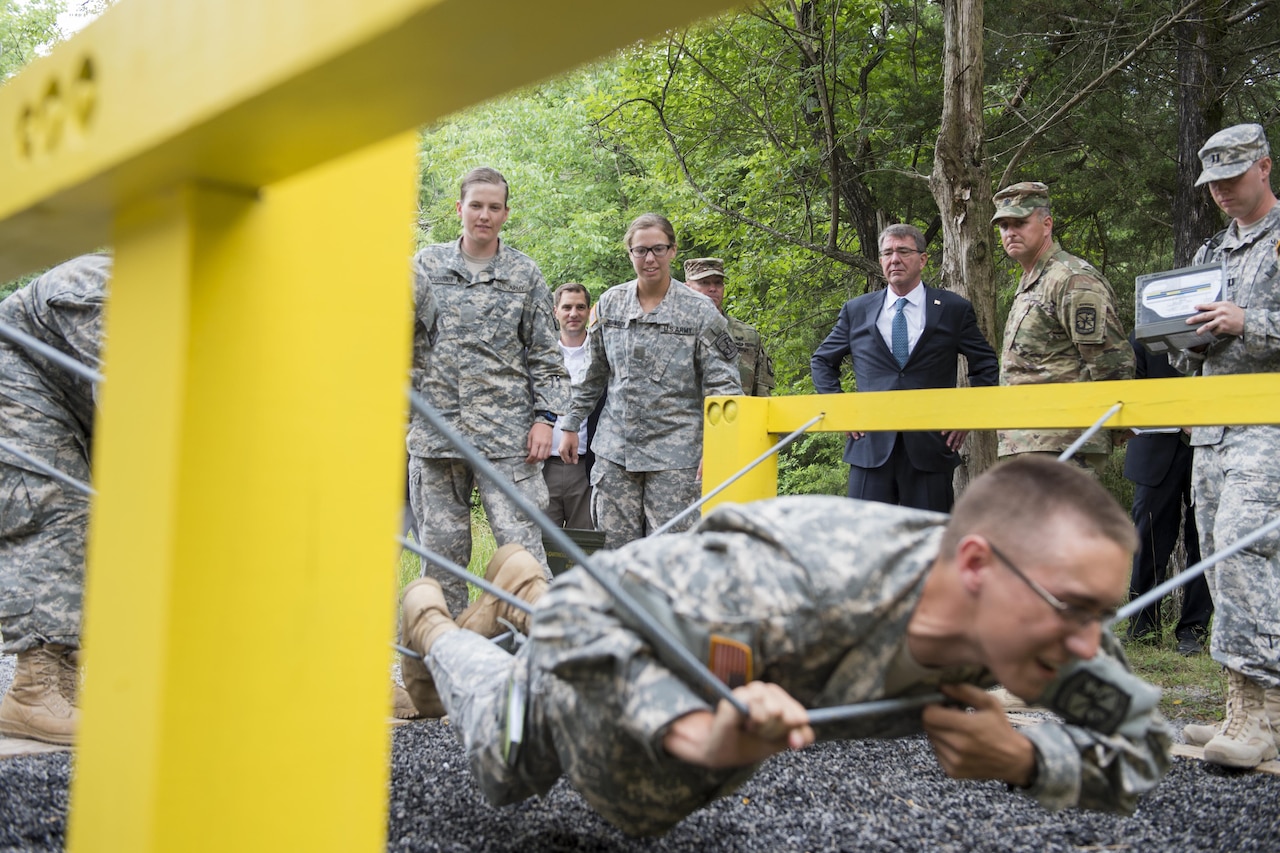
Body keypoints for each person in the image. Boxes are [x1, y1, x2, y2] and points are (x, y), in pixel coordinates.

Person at [398, 456, 1170, 837]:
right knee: (505, 761)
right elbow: (583, 617)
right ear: (975, 565)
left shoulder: (1045, 624)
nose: (1090, 642)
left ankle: (518, 587)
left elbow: (1143, 745)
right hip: (613, 656)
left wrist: (1027, 761)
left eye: (1100, 611)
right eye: (1073, 609)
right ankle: (429, 621)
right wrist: (697, 729)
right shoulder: (798, 579)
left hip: (702, 644)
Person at [408, 167, 569, 616]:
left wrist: (546, 420)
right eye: (475, 205)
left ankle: (540, 656)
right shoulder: (425, 267)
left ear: (505, 213)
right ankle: (441, 662)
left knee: (524, 559)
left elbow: (545, 356)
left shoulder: (524, 274)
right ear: (459, 209)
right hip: (435, 435)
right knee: (441, 561)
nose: (484, 215)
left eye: (493, 207)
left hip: (507, 439)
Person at [1172, 123, 1280, 768]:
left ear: (1264, 167)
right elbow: (1196, 348)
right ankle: (1242, 703)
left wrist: (1251, 323)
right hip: (1213, 427)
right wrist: (1189, 341)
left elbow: (1253, 328)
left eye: (1233, 179)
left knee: (1247, 548)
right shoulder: (1213, 250)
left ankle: (1262, 713)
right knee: (1217, 558)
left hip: (1268, 425)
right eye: (1212, 183)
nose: (1220, 192)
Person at [558, 214, 742, 549]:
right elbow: (594, 375)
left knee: (674, 553)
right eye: (640, 251)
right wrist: (570, 423)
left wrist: (719, 444)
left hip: (677, 457)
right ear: (629, 253)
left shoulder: (700, 312)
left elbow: (724, 386)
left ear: (672, 250)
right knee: (615, 554)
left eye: (658, 249)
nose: (650, 259)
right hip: (616, 454)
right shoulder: (611, 304)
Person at [810, 224, 999, 512]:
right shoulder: (857, 310)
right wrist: (841, 408)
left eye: (903, 251)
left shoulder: (952, 309)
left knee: (929, 541)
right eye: (887, 253)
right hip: (869, 448)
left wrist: (966, 413)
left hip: (930, 447)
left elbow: (985, 364)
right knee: (864, 540)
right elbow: (822, 361)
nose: (894, 259)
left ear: (922, 259)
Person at [0, 254, 110, 746]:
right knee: (55, 506)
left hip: (76, 388)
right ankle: (32, 692)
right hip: (17, 374)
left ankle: (64, 686)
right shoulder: (109, 299)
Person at [992, 182, 1132, 476]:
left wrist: (1114, 425)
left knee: (1057, 524)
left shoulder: (1071, 279)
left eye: (1019, 222)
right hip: (1030, 439)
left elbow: (1112, 361)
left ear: (1046, 224)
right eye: (1003, 225)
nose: (1010, 232)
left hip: (1065, 441)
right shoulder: (1033, 281)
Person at [1123, 332, 1211, 655]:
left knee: (1203, 539)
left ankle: (1194, 631)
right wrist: (1178, 415)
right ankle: (1141, 626)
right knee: (1146, 539)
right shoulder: (1145, 333)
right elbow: (1131, 390)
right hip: (1155, 449)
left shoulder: (1224, 330)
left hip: (1211, 446)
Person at [543, 283, 594, 530]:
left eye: (580, 307)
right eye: (567, 307)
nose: (573, 313)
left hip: (585, 468)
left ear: (588, 311)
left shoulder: (601, 353)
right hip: (543, 465)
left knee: (583, 548)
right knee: (542, 547)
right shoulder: (540, 354)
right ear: (556, 311)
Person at [683, 258, 775, 396]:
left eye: (718, 283)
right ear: (687, 287)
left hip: (739, 415)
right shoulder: (673, 334)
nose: (713, 288)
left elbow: (762, 395)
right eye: (704, 283)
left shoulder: (748, 336)